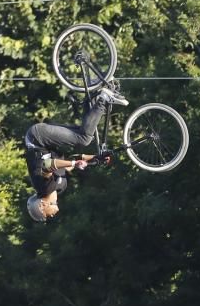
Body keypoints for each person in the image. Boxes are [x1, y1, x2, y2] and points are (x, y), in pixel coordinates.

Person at [24, 85, 130, 222]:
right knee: (86, 133)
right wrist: (95, 158)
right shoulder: (60, 187)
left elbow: (47, 164)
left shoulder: (43, 188)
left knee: (84, 139)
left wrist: (74, 163)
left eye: (47, 215)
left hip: (37, 138)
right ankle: (93, 94)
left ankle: (103, 98)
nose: (51, 216)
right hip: (45, 141)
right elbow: (72, 160)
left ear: (42, 205)